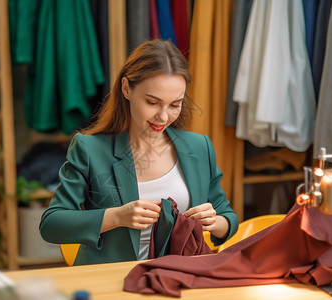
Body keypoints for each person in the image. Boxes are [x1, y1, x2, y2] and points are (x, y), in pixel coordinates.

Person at [39, 39, 239, 265]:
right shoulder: (90, 149)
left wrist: (214, 223)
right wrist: (117, 217)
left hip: (180, 278)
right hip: (110, 281)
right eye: (152, 102)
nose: (163, 117)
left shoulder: (198, 147)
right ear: (126, 88)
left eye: (175, 105)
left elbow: (228, 218)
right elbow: (51, 224)